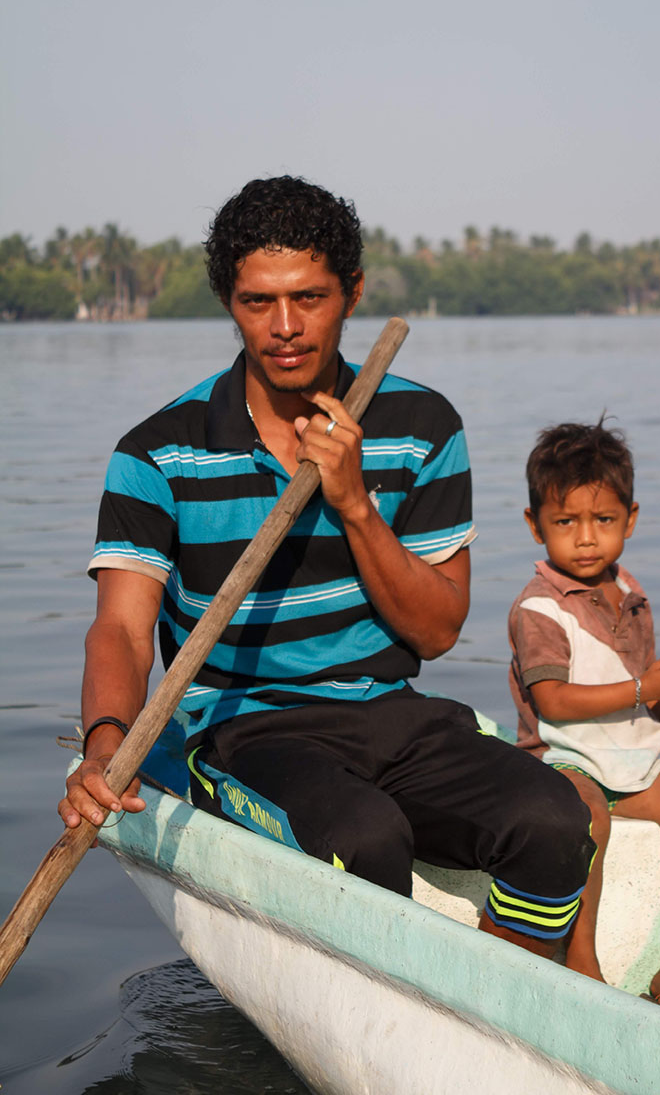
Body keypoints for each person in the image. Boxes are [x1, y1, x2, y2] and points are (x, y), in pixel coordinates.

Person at [59, 175, 595, 960]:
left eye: (309, 298)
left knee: (555, 822)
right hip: (241, 728)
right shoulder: (157, 453)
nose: (284, 327)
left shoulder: (422, 425)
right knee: (364, 841)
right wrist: (106, 742)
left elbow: (440, 629)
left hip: (389, 709)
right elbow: (122, 631)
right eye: (257, 302)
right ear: (227, 302)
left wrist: (354, 505)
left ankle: (509, 997)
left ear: (352, 293)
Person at [508, 419, 660, 1019]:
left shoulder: (628, 589)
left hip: (626, 757)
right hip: (562, 758)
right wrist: (644, 685)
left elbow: (641, 694)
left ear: (630, 519)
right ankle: (582, 961)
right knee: (588, 817)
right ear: (535, 525)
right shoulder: (539, 607)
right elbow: (552, 701)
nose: (585, 540)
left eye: (603, 521)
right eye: (565, 522)